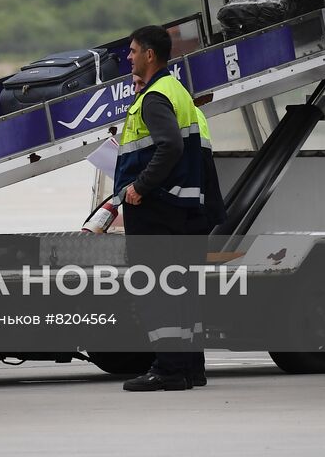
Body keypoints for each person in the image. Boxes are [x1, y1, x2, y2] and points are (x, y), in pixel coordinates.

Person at [115, 26, 224, 392]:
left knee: (157, 290)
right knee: (183, 292)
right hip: (186, 208)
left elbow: (170, 147)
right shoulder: (178, 93)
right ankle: (190, 368)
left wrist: (138, 187)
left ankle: (168, 369)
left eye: (132, 51)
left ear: (149, 55)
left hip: (159, 208)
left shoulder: (155, 98)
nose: (128, 57)